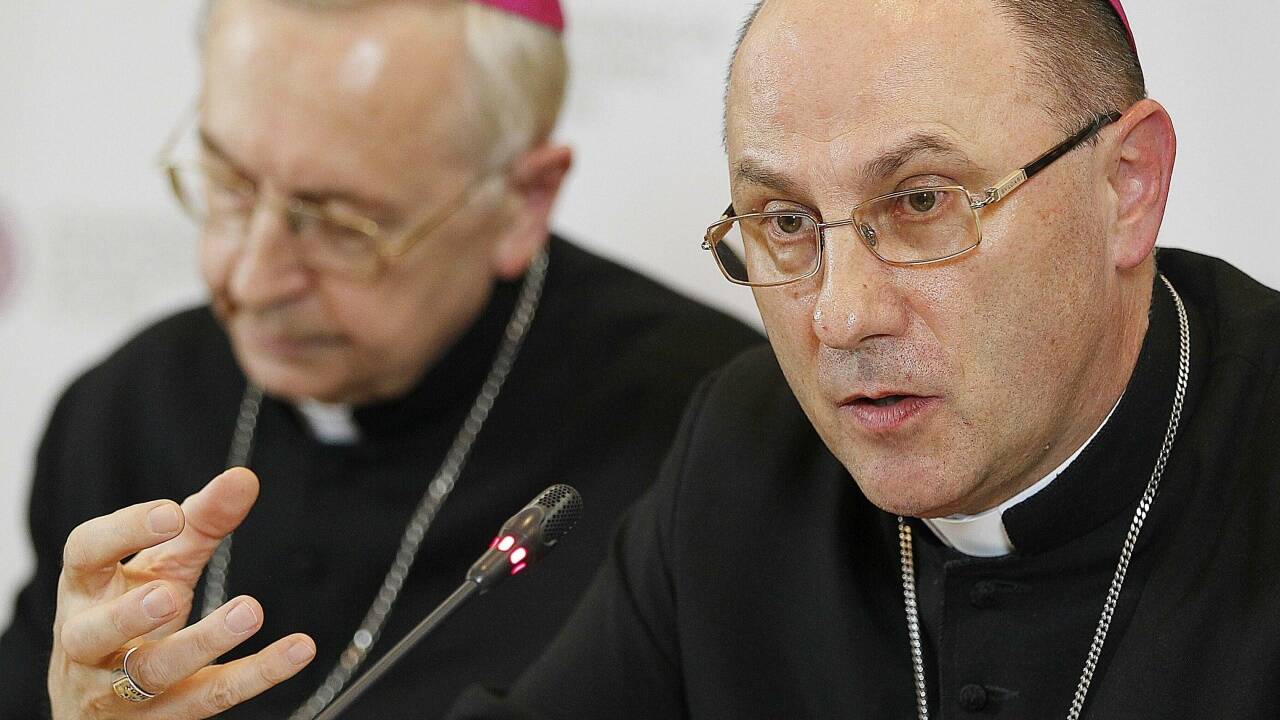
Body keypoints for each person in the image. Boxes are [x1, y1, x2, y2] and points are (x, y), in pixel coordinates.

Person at [448, 0, 1280, 718]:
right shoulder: (746, 448)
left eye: (923, 201)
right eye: (783, 220)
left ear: (1126, 186)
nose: (842, 316)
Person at [0, 0, 762, 718]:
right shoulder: (123, 407)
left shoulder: (719, 438)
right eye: (230, 186)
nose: (250, 280)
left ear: (524, 200)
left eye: (339, 225)